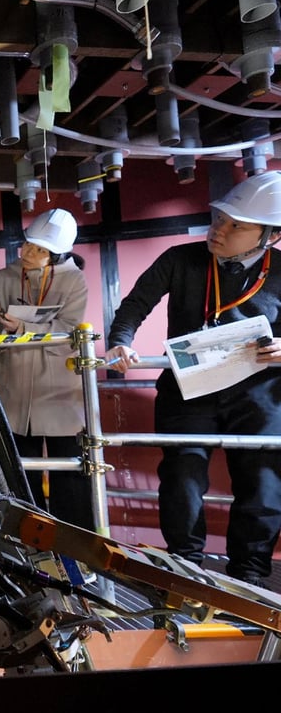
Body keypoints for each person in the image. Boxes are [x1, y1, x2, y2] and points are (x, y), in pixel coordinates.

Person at [105, 170, 281, 588]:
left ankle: (250, 576)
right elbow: (134, 306)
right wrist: (120, 342)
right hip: (188, 388)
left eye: (236, 225)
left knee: (264, 481)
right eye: (220, 218)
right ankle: (185, 568)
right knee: (182, 475)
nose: (219, 230)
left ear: (269, 236)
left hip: (259, 393)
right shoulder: (180, 259)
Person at [0, 208, 94, 529]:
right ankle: (22, 537)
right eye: (28, 245)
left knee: (69, 474)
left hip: (58, 391)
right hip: (11, 387)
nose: (27, 252)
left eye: (39, 250)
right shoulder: (4, 277)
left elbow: (70, 329)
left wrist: (21, 325)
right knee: (18, 473)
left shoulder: (74, 279)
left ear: (57, 255)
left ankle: (74, 543)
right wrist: (13, 328)